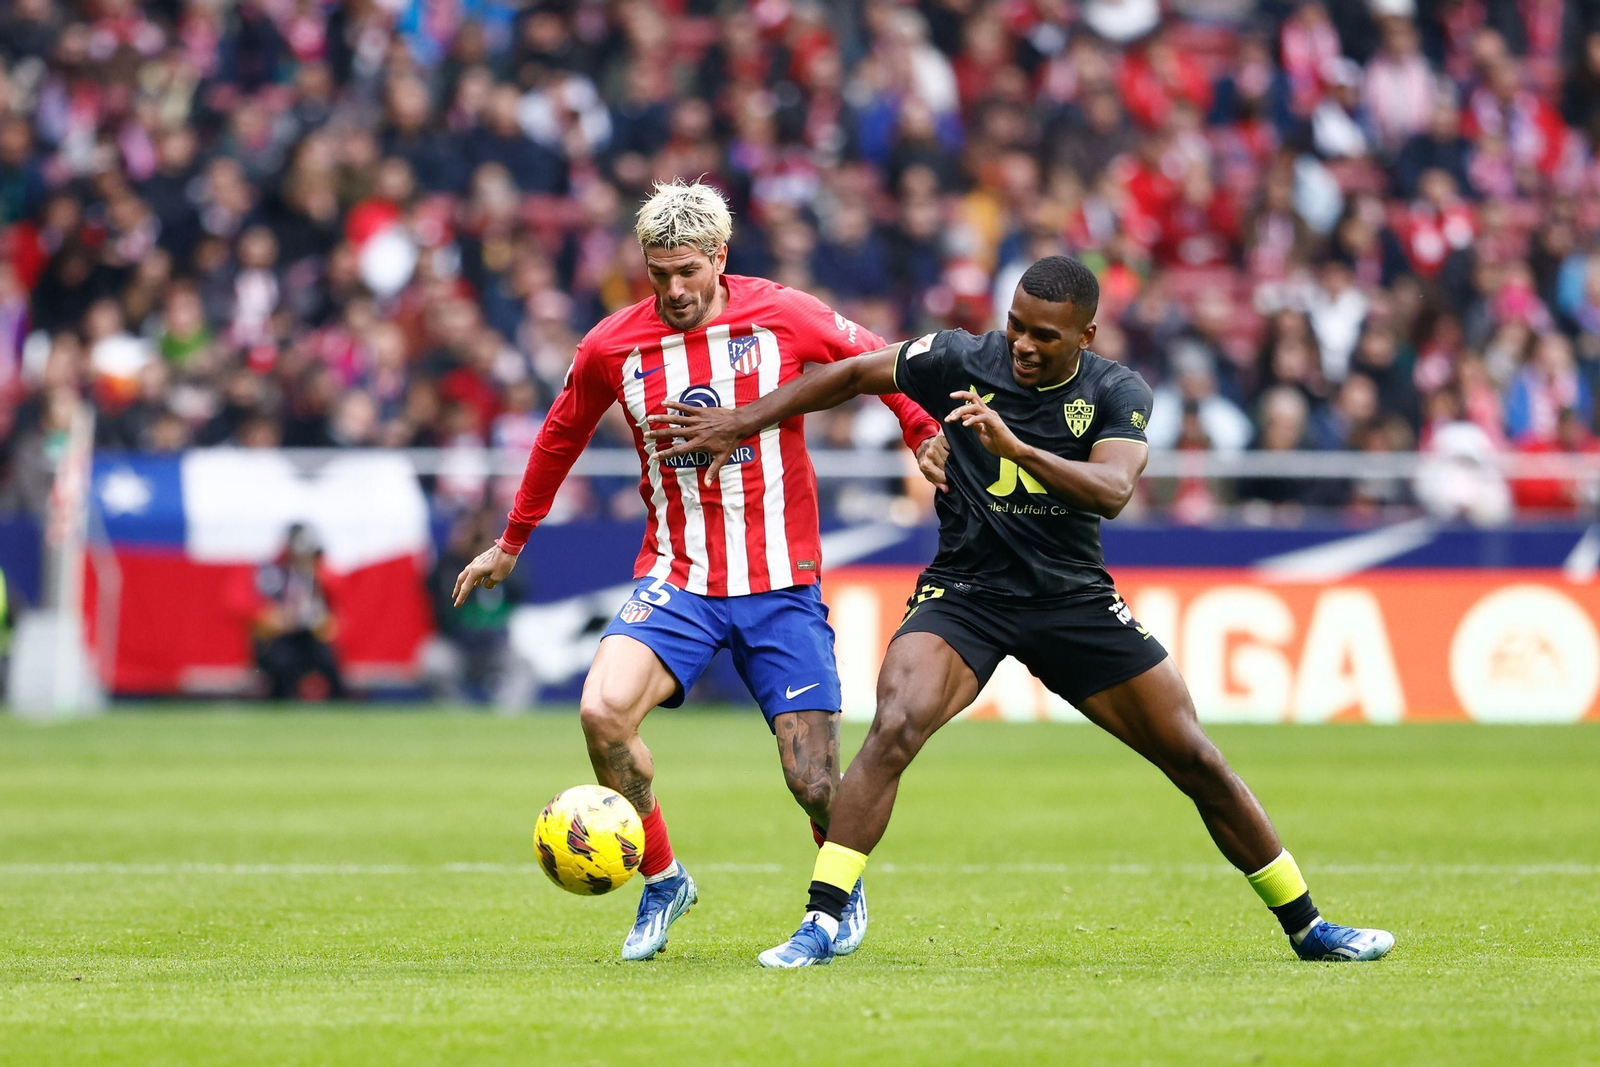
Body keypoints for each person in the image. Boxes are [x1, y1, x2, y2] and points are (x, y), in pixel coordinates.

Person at [647, 255, 1395, 968]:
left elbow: (1112, 489)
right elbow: (849, 373)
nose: (1024, 346)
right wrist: (747, 419)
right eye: (1016, 326)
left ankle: (1308, 925)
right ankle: (822, 918)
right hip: (966, 593)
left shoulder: (1117, 390)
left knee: (1194, 757)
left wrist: (1015, 445)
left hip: (1072, 600)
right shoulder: (961, 358)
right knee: (894, 722)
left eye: (1045, 334)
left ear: (1085, 336)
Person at [451, 180, 947, 961]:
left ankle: (839, 892)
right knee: (601, 712)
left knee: (816, 781)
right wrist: (512, 541)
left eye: (688, 271)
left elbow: (876, 361)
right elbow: (560, 434)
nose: (675, 289)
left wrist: (921, 433)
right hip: (678, 577)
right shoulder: (613, 345)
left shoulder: (783, 312)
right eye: (659, 274)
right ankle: (662, 878)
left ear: (720, 256)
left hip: (781, 582)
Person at [253, 524, 346, 701]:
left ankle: (339, 702)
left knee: (327, 660)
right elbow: (252, 607)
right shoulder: (272, 572)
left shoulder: (316, 574)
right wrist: (272, 617)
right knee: (281, 663)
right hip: (279, 637)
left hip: (307, 635)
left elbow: (336, 598)